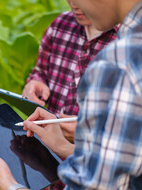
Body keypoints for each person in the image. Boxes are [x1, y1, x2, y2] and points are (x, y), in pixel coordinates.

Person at [0, 0, 142, 190]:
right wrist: (64, 146)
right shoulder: (61, 27)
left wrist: (9, 186)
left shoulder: (121, 62)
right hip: (47, 171)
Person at [23, 0, 118, 143]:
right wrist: (36, 83)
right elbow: (40, 72)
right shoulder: (60, 25)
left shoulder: (132, 41)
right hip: (47, 151)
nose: (74, 4)